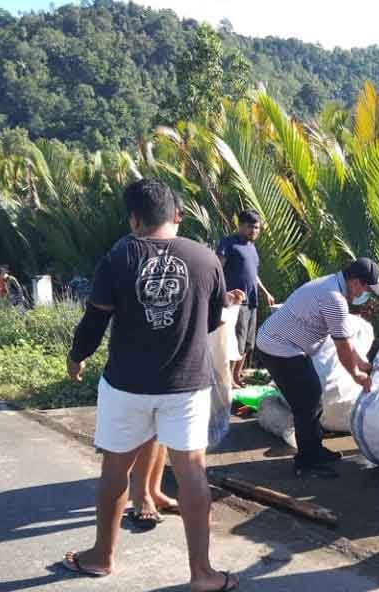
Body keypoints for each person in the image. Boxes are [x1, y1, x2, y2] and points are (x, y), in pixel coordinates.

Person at [62, 178, 241, 591]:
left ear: (134, 219)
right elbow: (214, 320)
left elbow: (95, 319)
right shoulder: (205, 258)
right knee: (192, 470)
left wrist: (77, 356)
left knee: (115, 469)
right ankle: (203, 574)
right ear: (178, 215)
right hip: (187, 385)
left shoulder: (118, 256)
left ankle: (101, 557)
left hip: (126, 385)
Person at [256, 257, 379, 479]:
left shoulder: (332, 286)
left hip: (287, 346)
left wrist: (361, 363)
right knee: (306, 402)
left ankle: (315, 450)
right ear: (355, 282)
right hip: (279, 348)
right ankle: (306, 462)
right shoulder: (334, 298)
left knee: (313, 396)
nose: (366, 294)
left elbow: (345, 338)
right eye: (366, 289)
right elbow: (342, 347)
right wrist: (356, 375)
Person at [216, 210, 276, 388]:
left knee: (248, 343)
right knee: (236, 341)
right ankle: (228, 379)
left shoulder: (252, 247)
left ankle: (237, 375)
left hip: (252, 300)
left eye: (257, 228)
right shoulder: (229, 243)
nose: (254, 231)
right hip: (236, 302)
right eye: (251, 227)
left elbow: (253, 274)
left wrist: (265, 292)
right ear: (240, 225)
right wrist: (223, 294)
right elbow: (217, 269)